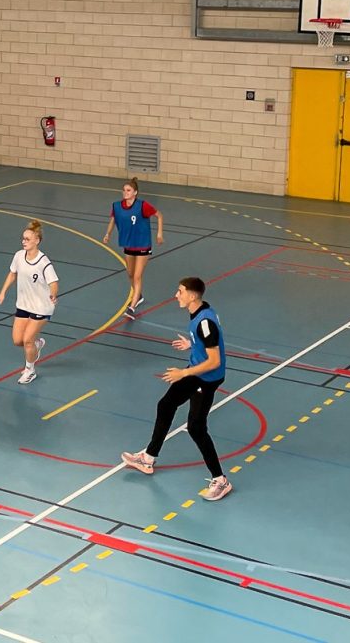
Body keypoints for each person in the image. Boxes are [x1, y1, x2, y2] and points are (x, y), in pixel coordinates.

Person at [121, 277, 232, 502]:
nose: (176, 295)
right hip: (197, 372)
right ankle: (149, 458)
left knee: (196, 428)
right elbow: (211, 342)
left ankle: (220, 480)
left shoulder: (204, 322)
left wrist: (183, 373)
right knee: (166, 404)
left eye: (180, 291)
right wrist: (193, 345)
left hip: (206, 378)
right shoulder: (201, 313)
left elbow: (215, 361)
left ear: (192, 295)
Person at [0, 219, 58, 385]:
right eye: (23, 238)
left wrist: (53, 294)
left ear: (37, 241)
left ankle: (30, 370)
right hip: (23, 305)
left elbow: (54, 283)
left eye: (27, 239)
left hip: (42, 307)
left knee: (27, 340)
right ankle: (37, 345)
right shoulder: (18, 256)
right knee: (18, 340)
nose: (24, 241)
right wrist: (3, 292)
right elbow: (12, 274)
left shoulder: (44, 262)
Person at [102, 178, 164, 319]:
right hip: (128, 244)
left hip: (143, 244)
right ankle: (139, 295)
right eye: (124, 190)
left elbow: (159, 215)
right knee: (130, 274)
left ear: (135, 192)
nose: (125, 193)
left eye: (128, 190)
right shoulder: (117, 206)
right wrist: (108, 234)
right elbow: (113, 220)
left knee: (137, 276)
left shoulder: (143, 206)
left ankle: (132, 307)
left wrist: (159, 233)